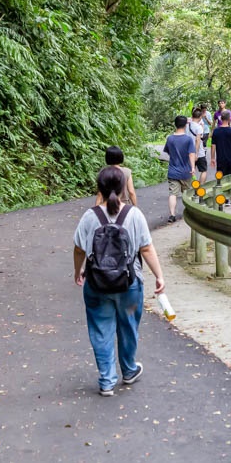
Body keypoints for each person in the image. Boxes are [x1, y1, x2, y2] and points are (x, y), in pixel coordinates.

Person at [74, 166, 166, 396]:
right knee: (128, 327)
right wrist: (159, 276)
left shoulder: (89, 216)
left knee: (100, 329)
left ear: (100, 189)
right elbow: (146, 248)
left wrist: (78, 271)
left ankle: (106, 381)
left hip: (96, 283)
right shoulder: (134, 214)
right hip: (129, 283)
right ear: (123, 187)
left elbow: (78, 249)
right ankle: (128, 369)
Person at [163, 115, 196, 222]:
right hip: (186, 171)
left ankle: (172, 215)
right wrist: (192, 167)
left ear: (175, 124)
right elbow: (191, 154)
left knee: (173, 194)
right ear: (186, 125)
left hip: (173, 171)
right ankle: (190, 212)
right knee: (188, 193)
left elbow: (168, 151)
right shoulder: (188, 139)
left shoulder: (170, 138)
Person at [210, 111, 231, 175]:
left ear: (220, 118)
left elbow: (213, 146)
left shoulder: (216, 131)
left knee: (221, 179)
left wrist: (212, 158)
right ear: (229, 118)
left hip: (220, 160)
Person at [188, 107, 208, 183]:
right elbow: (198, 140)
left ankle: (191, 188)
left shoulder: (187, 126)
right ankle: (200, 187)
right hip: (199, 153)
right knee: (204, 170)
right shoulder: (199, 127)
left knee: (191, 171)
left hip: (189, 152)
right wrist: (196, 153)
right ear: (200, 117)